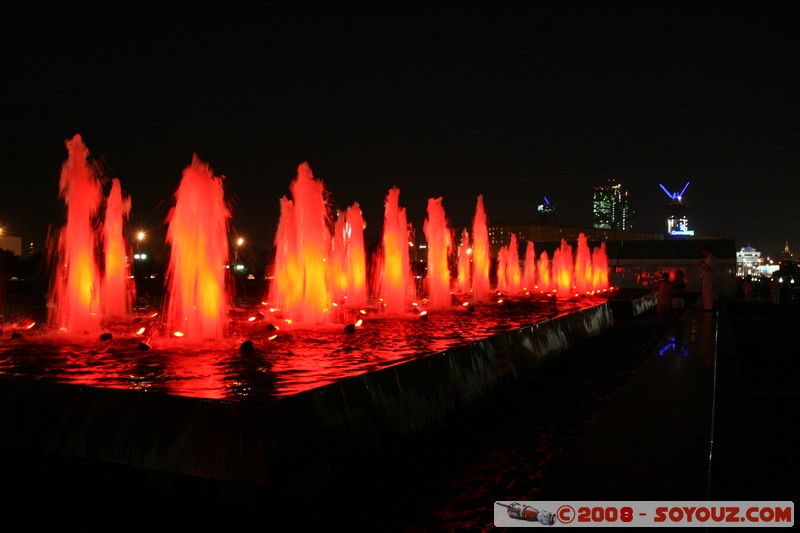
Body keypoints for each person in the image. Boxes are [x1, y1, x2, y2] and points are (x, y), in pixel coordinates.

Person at [700, 246, 716, 311]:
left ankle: (708, 306)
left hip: (708, 277)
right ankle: (707, 306)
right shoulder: (710, 258)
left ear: (706, 251)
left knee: (707, 292)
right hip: (707, 277)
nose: (703, 253)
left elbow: (710, 268)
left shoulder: (710, 258)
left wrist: (703, 264)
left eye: (703, 252)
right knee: (707, 291)